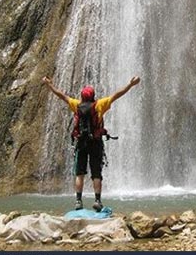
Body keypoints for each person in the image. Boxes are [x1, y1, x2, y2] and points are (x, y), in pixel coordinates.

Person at [42, 75, 140, 211]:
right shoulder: (100, 104)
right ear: (93, 96)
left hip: (81, 143)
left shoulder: (76, 105)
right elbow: (117, 95)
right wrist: (130, 84)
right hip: (95, 143)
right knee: (96, 173)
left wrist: (49, 85)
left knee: (80, 173)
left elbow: (61, 95)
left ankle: (78, 201)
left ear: (82, 97)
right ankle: (97, 201)